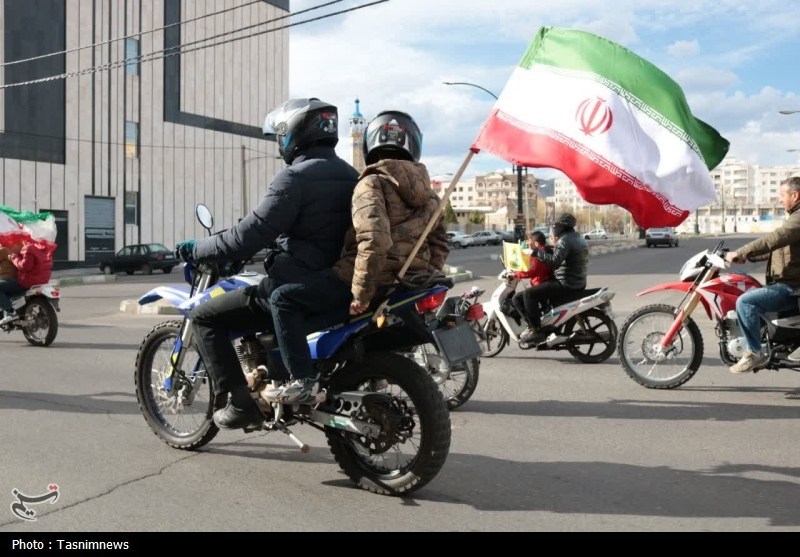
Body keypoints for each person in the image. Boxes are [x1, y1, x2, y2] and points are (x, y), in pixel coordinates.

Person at [175, 97, 360, 429]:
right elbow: (317, 230)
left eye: (279, 135)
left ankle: (240, 403)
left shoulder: (294, 178)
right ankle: (271, 375)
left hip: (296, 285)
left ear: (292, 134)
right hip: (337, 286)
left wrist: (197, 248)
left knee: (204, 316)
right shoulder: (351, 175)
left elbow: (247, 236)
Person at [260, 110, 450, 393]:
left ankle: (302, 382)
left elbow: (374, 241)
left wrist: (361, 293)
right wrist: (420, 272)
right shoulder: (430, 194)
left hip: (363, 280)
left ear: (369, 143)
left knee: (283, 300)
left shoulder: (371, 182)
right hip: (406, 284)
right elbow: (441, 244)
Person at [724, 176, 800, 374]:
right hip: (790, 283)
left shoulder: (798, 218)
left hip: (791, 286)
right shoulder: (795, 217)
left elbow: (775, 239)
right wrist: (747, 257)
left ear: (795, 195)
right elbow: (778, 249)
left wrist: (742, 251)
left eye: (782, 195)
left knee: (746, 302)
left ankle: (754, 353)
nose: (780, 200)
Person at [514, 213, 588, 343]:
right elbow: (563, 254)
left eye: (556, 226)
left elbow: (554, 261)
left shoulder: (565, 240)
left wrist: (535, 251)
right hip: (578, 282)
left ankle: (537, 331)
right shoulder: (577, 238)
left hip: (566, 283)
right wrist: (547, 248)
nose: (553, 229)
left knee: (528, 294)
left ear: (562, 227)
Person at [0, 239, 53, 326]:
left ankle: (10, 313)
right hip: (42, 280)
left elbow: (25, 266)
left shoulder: (27, 248)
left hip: (27, 281)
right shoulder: (44, 248)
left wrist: (14, 258)